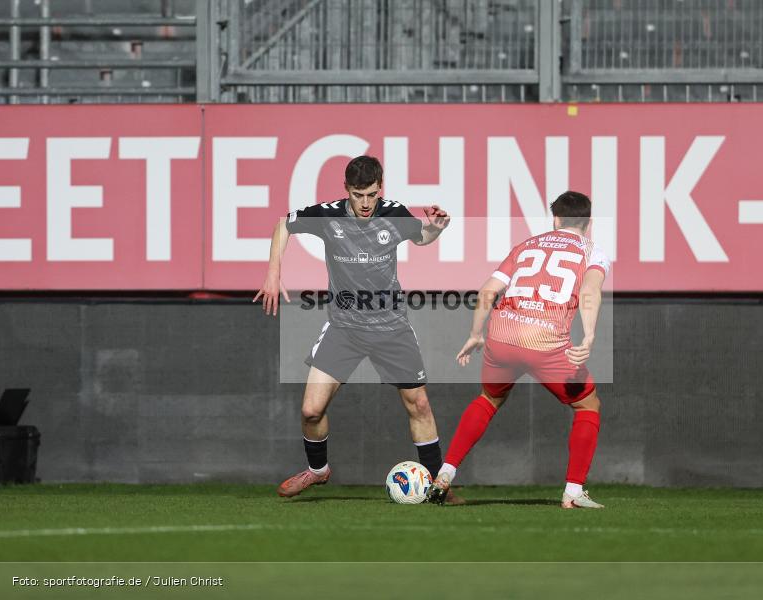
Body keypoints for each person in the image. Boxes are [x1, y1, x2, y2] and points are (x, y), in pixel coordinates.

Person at [254, 155, 457, 501]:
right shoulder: (328, 214)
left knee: (418, 404)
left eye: (372, 195)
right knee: (310, 411)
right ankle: (318, 472)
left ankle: (439, 485)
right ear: (346, 189)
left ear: (381, 189)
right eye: (359, 195)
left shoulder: (393, 213)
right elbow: (283, 224)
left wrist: (436, 227)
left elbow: (422, 238)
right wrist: (273, 272)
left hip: (391, 326)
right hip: (343, 327)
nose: (366, 203)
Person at [426, 191, 609, 509]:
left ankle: (444, 474)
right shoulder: (593, 251)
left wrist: (475, 334)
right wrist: (589, 335)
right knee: (587, 406)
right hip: (545, 342)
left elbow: (487, 291)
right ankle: (574, 492)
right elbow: (590, 290)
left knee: (488, 399)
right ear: (589, 222)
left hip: (502, 336)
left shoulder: (526, 246)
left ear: (555, 220)